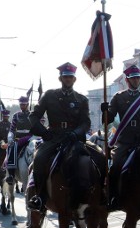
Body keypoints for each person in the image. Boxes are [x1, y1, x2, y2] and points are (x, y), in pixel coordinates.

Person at [26, 62, 91, 211]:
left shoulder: (82, 99)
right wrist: (43, 132)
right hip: (53, 137)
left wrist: (76, 133)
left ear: (74, 79)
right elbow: (34, 116)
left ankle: (93, 194)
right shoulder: (49, 95)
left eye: (70, 77)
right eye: (65, 77)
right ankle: (40, 196)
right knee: (39, 159)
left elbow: (86, 122)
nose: (68, 79)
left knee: (92, 159)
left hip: (73, 139)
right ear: (60, 78)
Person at [102, 64, 140, 210]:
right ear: (127, 80)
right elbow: (109, 119)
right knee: (116, 166)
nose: (136, 80)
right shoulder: (119, 97)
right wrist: (105, 111)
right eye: (133, 78)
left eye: (138, 78)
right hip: (125, 141)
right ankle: (112, 197)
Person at [6, 96, 33, 184]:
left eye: (24, 105)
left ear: (27, 104)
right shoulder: (16, 115)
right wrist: (10, 136)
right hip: (19, 139)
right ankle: (11, 174)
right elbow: (12, 129)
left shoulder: (33, 115)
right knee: (12, 148)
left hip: (32, 138)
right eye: (21, 105)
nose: (23, 106)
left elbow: (37, 127)